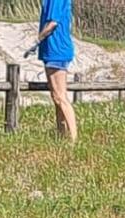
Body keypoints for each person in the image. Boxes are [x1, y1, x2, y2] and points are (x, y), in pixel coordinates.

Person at [25, 0, 77, 144]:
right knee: (56, 97)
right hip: (52, 51)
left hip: (57, 50)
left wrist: (36, 41)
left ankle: (73, 140)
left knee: (61, 97)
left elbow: (53, 23)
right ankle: (61, 136)